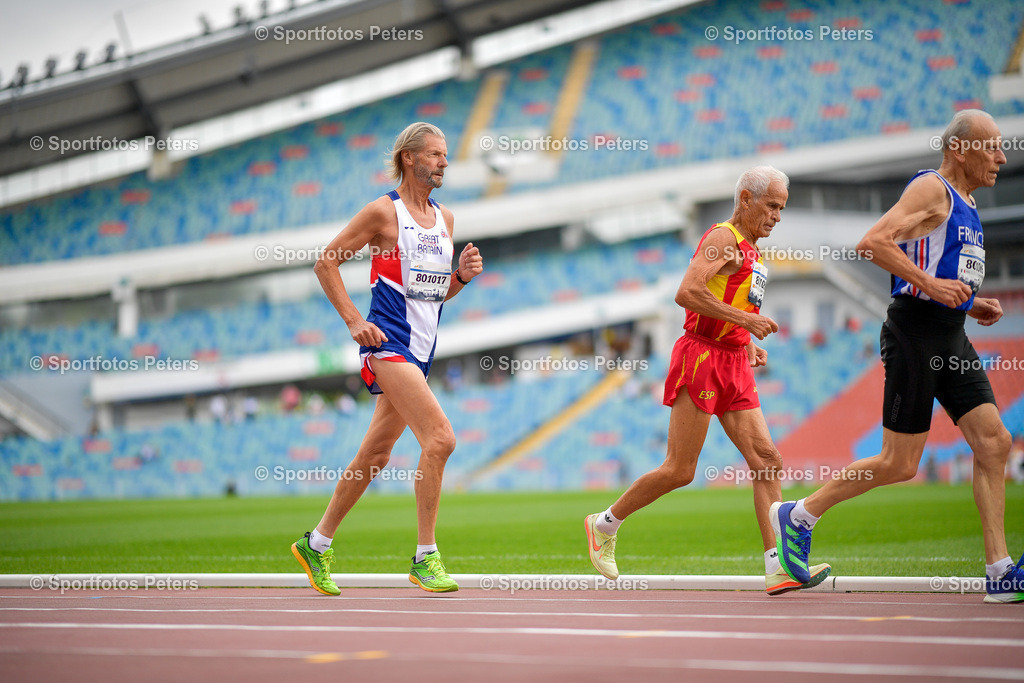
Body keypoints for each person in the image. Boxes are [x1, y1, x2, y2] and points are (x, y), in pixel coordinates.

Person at [770, 110, 1023, 604]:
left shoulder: (968, 204)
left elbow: (944, 273)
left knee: (994, 444)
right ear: (958, 149)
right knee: (900, 463)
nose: (1001, 157)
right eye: (991, 146)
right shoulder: (933, 189)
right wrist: (930, 285)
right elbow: (872, 243)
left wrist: (972, 302)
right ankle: (799, 514)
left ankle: (999, 572)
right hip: (913, 334)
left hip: (950, 335)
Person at [585, 166, 831, 595]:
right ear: (746, 200)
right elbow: (686, 292)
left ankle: (778, 566)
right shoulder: (722, 240)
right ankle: (604, 524)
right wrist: (745, 322)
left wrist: (746, 339)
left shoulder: (754, 253)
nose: (777, 216)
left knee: (767, 459)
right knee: (680, 470)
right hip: (700, 357)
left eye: (782, 209)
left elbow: (733, 301)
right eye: (771, 206)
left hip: (734, 360)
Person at [291, 122, 483, 595]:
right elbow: (326, 261)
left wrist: (459, 278)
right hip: (387, 345)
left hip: (421, 353)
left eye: (445, 155)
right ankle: (426, 557)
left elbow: (432, 297)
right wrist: (355, 321)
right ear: (409, 159)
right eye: (435, 154)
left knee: (375, 455)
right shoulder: (383, 212)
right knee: (440, 439)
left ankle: (316, 543)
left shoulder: (446, 221)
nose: (444, 162)